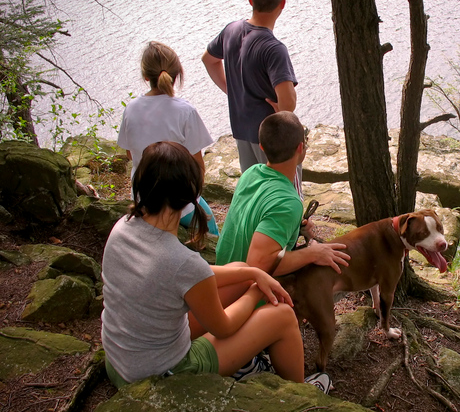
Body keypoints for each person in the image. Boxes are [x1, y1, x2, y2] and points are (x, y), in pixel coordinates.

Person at [100, 141, 326, 390]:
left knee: (239, 270)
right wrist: (255, 291)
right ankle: (302, 395)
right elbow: (223, 326)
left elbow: (186, 276)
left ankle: (244, 359)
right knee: (282, 316)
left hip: (120, 361)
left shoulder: (122, 227)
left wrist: (251, 272)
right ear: (190, 194)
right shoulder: (181, 261)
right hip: (163, 374)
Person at [215, 111, 350, 277]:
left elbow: (258, 216)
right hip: (244, 292)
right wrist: (313, 253)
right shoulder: (288, 203)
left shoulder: (251, 174)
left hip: (222, 277)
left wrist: (294, 227)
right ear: (301, 147)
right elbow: (258, 264)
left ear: (262, 146)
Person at [202, 0, 301, 190]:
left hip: (242, 130)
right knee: (283, 194)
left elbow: (209, 60)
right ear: (282, 4)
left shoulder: (231, 30)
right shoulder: (273, 48)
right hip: (271, 138)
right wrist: (280, 109)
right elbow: (287, 103)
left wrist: (232, 90)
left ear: (251, 1)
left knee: (253, 193)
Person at [117, 41, 218, 236]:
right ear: (177, 74)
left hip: (143, 198)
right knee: (211, 228)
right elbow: (198, 166)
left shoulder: (131, 109)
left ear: (146, 77)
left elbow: (130, 154)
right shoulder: (185, 111)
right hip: (178, 202)